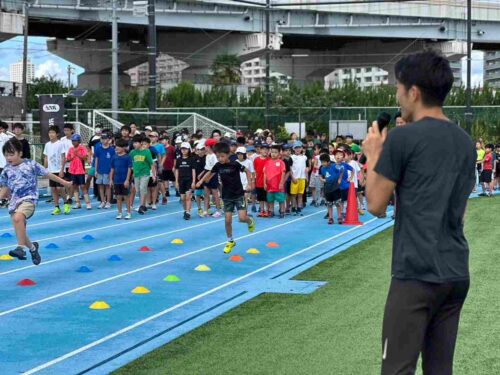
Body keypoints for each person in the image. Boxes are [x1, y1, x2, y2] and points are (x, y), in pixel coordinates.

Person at [362, 51, 475, 375]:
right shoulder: (465, 142)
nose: (397, 96)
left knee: (397, 369)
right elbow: (461, 212)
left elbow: (375, 205)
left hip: (416, 273)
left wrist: (373, 155)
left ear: (413, 92)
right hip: (455, 272)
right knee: (440, 370)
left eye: (399, 87)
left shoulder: (402, 139)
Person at [0, 138, 71, 265]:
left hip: (29, 198)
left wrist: (64, 182)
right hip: (14, 202)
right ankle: (33, 249)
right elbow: (4, 189)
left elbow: (48, 175)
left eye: (11, 154)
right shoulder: (6, 170)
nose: (8, 157)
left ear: (20, 153)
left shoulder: (30, 164)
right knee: (20, 229)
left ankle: (21, 248)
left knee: (18, 218)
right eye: (6, 155)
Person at [196, 142, 255, 254]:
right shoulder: (218, 165)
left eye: (222, 156)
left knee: (242, 218)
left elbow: (247, 171)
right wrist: (201, 181)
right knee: (227, 220)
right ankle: (230, 241)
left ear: (228, 154)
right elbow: (210, 173)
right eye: (218, 157)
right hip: (227, 196)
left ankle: (250, 221)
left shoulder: (235, 164)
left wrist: (249, 184)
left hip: (238, 195)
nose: (220, 159)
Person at [129, 135, 156, 215]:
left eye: (136, 143)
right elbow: (130, 163)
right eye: (133, 143)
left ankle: (141, 206)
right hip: (136, 174)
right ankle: (143, 205)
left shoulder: (147, 151)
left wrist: (154, 175)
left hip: (145, 173)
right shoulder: (132, 152)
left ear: (141, 143)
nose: (134, 144)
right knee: (138, 190)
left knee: (142, 188)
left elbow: (151, 164)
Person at [43, 125, 66, 215]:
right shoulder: (47, 144)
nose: (51, 134)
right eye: (49, 132)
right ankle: (57, 207)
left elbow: (63, 157)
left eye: (52, 132)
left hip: (59, 169)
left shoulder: (60, 143)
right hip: (51, 170)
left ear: (57, 134)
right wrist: (45, 169)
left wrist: (62, 170)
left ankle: (66, 203)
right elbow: (46, 157)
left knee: (60, 188)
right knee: (53, 189)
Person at [66, 134, 92, 209]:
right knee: (74, 186)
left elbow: (85, 158)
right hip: (72, 170)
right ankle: (77, 203)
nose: (73, 142)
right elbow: (68, 159)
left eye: (75, 141)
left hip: (80, 170)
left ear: (79, 141)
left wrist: (78, 154)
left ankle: (88, 203)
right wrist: (71, 157)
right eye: (72, 141)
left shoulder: (82, 148)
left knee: (82, 186)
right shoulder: (70, 149)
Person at [110, 139, 133, 220]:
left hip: (124, 180)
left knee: (126, 197)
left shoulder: (127, 157)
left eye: (118, 147)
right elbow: (112, 169)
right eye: (116, 146)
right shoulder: (114, 157)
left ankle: (128, 213)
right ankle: (119, 212)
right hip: (116, 180)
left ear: (123, 148)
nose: (116, 148)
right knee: (118, 197)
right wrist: (111, 179)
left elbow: (129, 169)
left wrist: (127, 180)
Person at [319, 153, 343, 224]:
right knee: (329, 204)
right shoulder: (322, 168)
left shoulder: (334, 166)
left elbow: (342, 169)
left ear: (328, 162)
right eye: (321, 162)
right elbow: (320, 175)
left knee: (337, 203)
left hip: (335, 188)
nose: (322, 163)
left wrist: (340, 179)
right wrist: (321, 179)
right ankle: (330, 218)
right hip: (327, 189)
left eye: (324, 162)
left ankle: (339, 217)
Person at [200, 138, 222, 218]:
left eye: (205, 146)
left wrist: (210, 177)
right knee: (206, 194)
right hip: (207, 174)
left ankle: (218, 210)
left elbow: (215, 169)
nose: (205, 148)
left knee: (215, 194)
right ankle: (206, 210)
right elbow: (207, 167)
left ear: (209, 147)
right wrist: (201, 174)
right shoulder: (207, 156)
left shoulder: (214, 156)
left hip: (213, 176)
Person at [263, 145, 286, 218]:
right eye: (272, 152)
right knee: (270, 200)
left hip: (278, 186)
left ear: (279, 154)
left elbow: (283, 173)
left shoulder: (281, 162)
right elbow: (265, 173)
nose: (273, 154)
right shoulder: (267, 162)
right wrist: (264, 183)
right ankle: (271, 211)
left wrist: (281, 183)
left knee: (281, 199)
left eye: (275, 152)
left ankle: (282, 211)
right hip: (270, 186)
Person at [174, 142, 196, 220]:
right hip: (181, 180)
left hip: (189, 180)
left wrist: (193, 181)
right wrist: (176, 181)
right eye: (182, 149)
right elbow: (177, 170)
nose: (184, 150)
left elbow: (193, 170)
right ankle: (185, 210)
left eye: (185, 149)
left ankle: (188, 212)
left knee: (188, 197)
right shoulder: (178, 160)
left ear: (188, 150)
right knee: (183, 198)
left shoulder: (191, 159)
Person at [94, 133, 115, 208]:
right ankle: (102, 201)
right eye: (102, 138)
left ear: (108, 140)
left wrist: (112, 172)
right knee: (100, 186)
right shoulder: (98, 149)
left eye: (105, 138)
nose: (104, 140)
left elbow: (113, 161)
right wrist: (96, 170)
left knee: (108, 187)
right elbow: (96, 159)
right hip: (100, 170)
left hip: (108, 171)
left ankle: (108, 202)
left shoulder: (112, 150)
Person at [290, 141, 308, 216]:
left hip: (302, 178)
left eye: (299, 147)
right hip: (295, 178)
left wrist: (306, 176)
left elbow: (306, 167)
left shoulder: (304, 157)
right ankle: (293, 206)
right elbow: (290, 168)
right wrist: (292, 177)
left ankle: (299, 207)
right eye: (296, 148)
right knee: (294, 194)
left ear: (302, 148)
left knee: (300, 194)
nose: (297, 149)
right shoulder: (292, 157)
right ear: (293, 149)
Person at [253, 143, 270, 217]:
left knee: (266, 198)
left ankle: (267, 210)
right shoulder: (256, 160)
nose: (265, 151)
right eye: (263, 149)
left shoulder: (269, 159)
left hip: (267, 182)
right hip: (258, 182)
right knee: (260, 198)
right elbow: (254, 170)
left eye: (267, 149)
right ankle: (262, 210)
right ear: (260, 150)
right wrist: (254, 181)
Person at [193, 142, 207, 217]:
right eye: (199, 149)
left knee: (206, 194)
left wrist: (202, 174)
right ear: (196, 150)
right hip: (197, 180)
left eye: (202, 149)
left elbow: (207, 168)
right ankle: (199, 209)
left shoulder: (207, 157)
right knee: (198, 194)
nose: (200, 151)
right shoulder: (194, 158)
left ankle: (206, 209)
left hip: (206, 179)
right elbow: (193, 170)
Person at [0, 121, 12, 207]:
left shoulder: (4, 137)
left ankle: (10, 199)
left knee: (6, 183)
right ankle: (3, 199)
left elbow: (9, 149)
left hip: (4, 164)